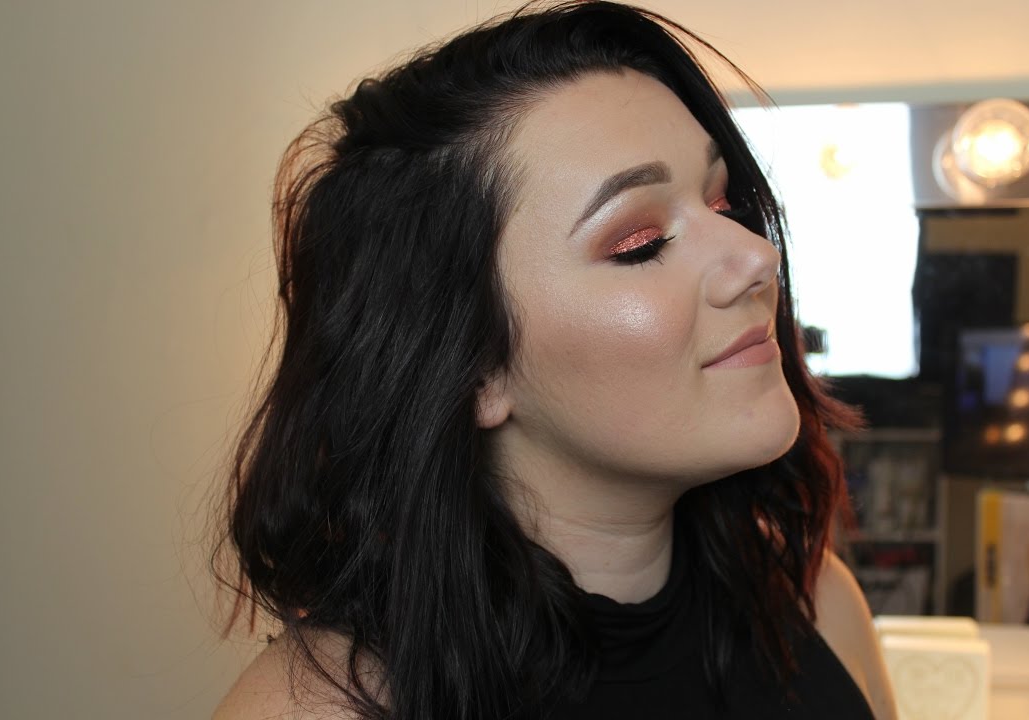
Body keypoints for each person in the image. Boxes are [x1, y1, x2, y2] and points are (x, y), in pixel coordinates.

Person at [211, 2, 899, 718]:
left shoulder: (814, 600)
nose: (757, 256)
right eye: (640, 244)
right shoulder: (320, 706)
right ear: (474, 368)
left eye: (722, 203)